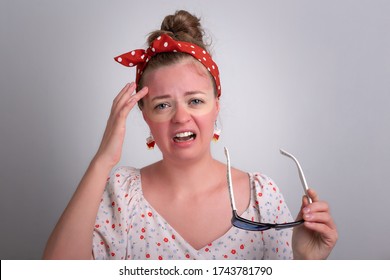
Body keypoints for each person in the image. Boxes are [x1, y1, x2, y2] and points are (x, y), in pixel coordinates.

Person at [43, 10, 337, 260]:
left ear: (216, 107)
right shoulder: (122, 193)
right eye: (162, 105)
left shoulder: (262, 197)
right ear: (145, 116)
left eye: (195, 100)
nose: (181, 117)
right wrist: (103, 160)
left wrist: (305, 265)